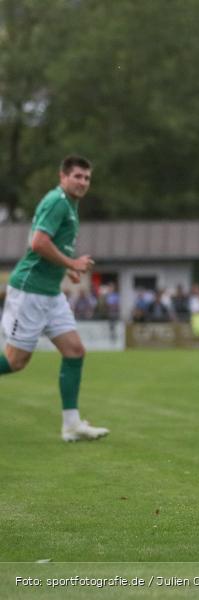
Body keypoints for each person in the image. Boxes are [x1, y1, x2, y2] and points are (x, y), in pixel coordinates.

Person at [0, 155, 109, 442]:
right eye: (77, 176)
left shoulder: (70, 205)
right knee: (15, 362)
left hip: (50, 293)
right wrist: (72, 263)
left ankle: (72, 425)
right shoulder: (57, 201)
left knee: (75, 351)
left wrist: (66, 267)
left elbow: (51, 244)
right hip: (30, 291)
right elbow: (38, 243)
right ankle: (71, 425)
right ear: (63, 177)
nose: (83, 182)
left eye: (87, 178)